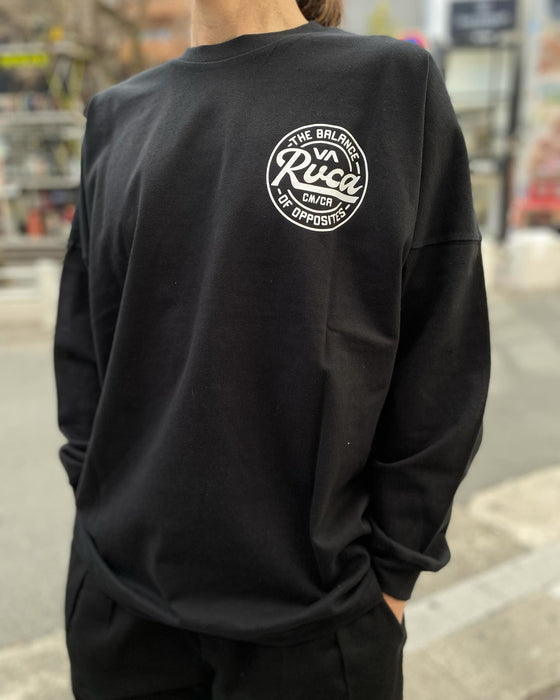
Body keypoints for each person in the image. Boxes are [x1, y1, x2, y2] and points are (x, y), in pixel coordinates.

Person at [53, 0, 491, 698]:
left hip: (317, 625)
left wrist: (391, 577)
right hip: (121, 613)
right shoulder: (116, 115)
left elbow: (444, 354)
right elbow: (83, 348)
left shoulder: (388, 85)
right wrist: (96, 509)